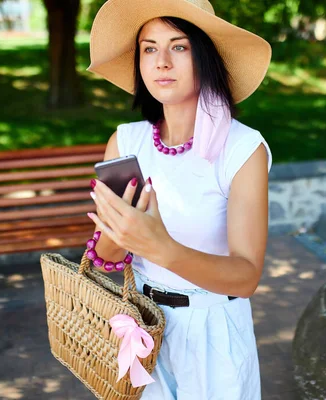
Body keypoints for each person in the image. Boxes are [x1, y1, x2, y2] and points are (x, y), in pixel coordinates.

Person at [85, 0, 272, 398]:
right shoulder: (126, 141)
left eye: (179, 46)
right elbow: (110, 256)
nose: (161, 62)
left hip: (213, 334)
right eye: (149, 48)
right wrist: (120, 231)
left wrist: (161, 247)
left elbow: (247, 277)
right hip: (141, 326)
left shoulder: (242, 149)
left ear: (205, 56)